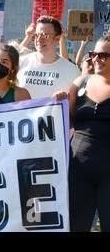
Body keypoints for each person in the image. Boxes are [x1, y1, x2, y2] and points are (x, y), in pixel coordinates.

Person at [63, 35, 110, 232]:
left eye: (104, 55)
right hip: (78, 169)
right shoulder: (80, 83)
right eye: (94, 54)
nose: (97, 59)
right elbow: (66, 121)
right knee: (75, 226)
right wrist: (60, 101)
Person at [17, 16, 80, 99]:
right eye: (36, 35)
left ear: (57, 38)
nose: (39, 39)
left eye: (45, 35)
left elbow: (75, 106)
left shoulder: (72, 71)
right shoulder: (21, 63)